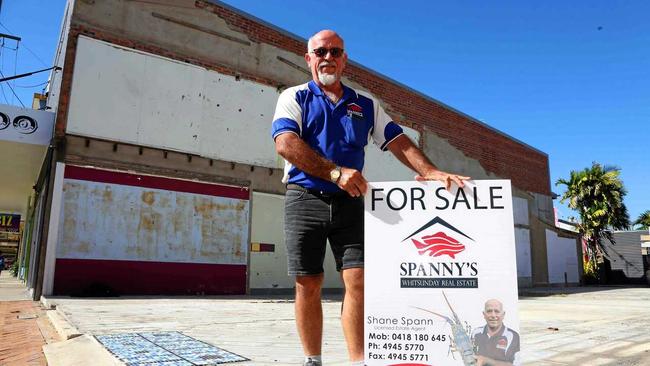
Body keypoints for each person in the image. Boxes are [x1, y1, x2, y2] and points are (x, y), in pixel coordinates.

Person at [271, 29, 470, 365]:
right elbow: (286, 143)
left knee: (358, 279)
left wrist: (432, 171)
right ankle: (313, 359)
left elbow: (398, 141)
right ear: (309, 59)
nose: (328, 58)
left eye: (335, 51)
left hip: (350, 202)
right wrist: (334, 172)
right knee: (308, 281)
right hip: (304, 198)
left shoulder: (365, 104)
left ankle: (358, 360)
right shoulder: (295, 97)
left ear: (345, 59)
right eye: (320, 52)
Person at [472, 299, 521, 366]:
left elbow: (516, 364)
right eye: (489, 311)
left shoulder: (513, 336)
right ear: (484, 314)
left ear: (503, 314)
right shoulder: (476, 332)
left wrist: (486, 361)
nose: (493, 315)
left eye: (497, 311)